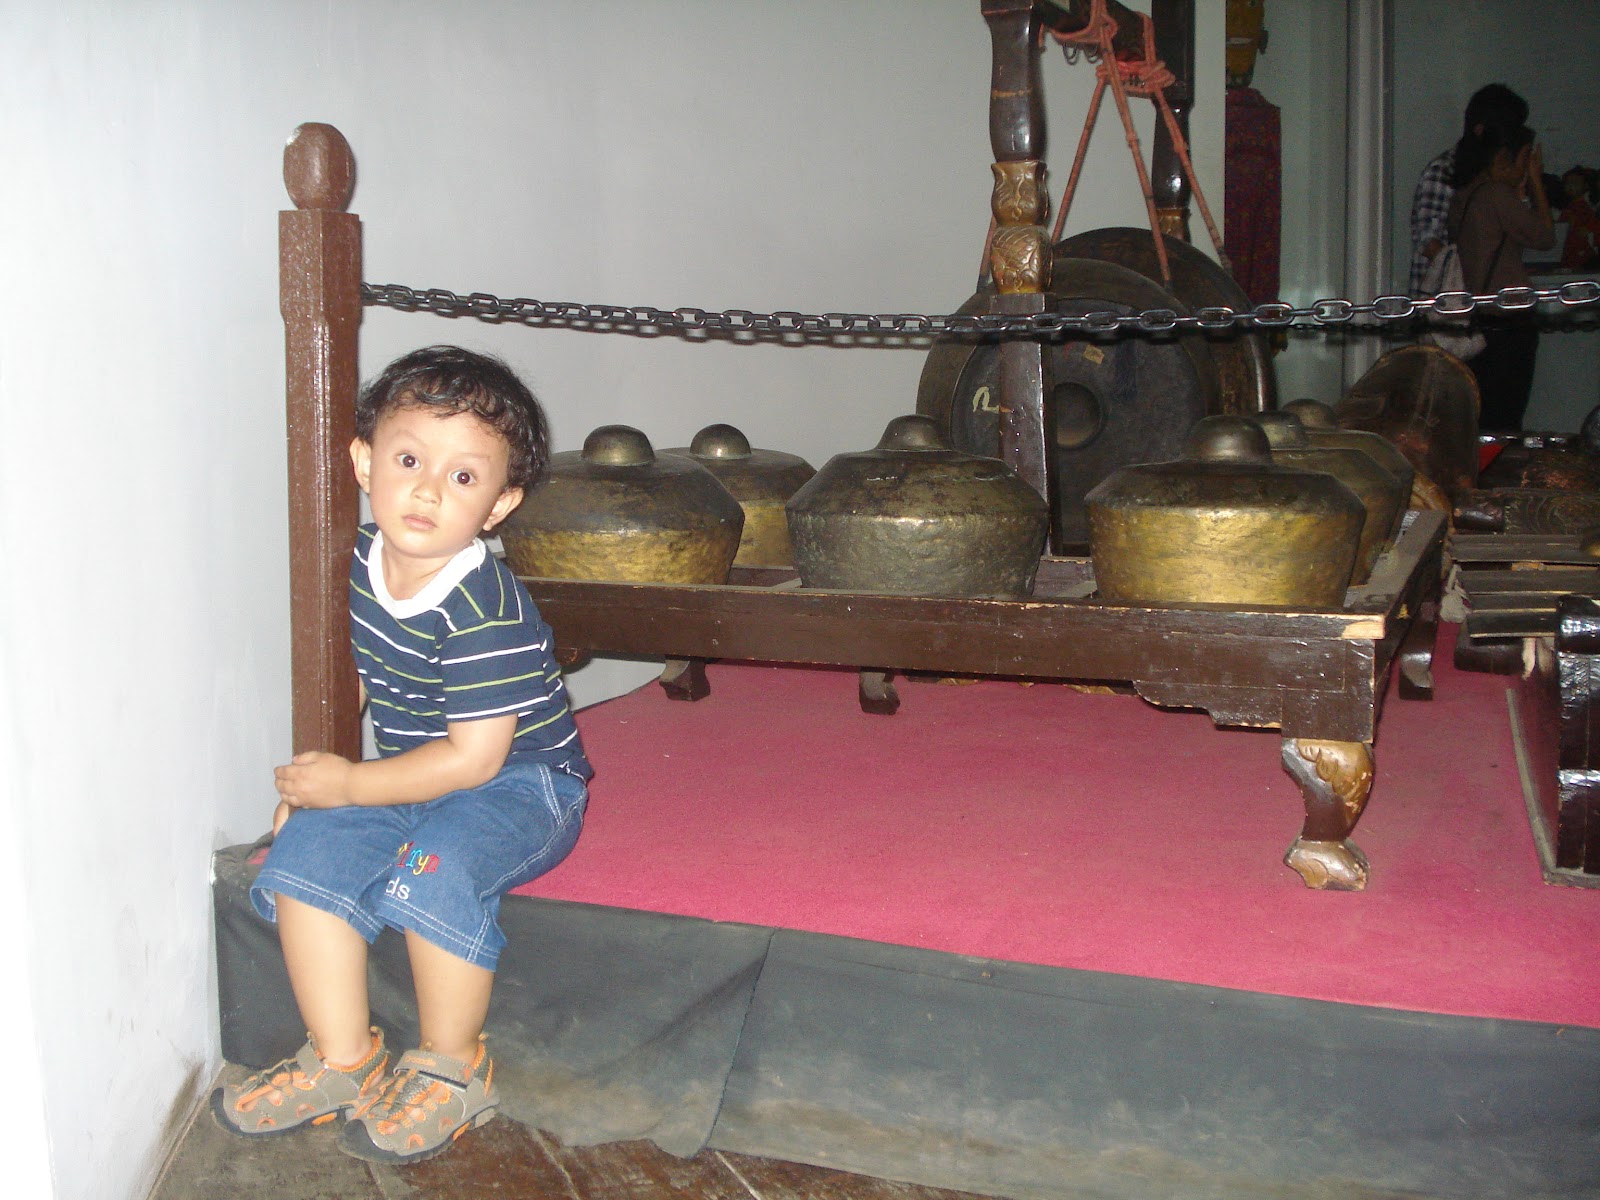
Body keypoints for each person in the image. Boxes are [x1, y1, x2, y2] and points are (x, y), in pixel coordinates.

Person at [212, 345, 592, 1163]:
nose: (428, 490)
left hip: (521, 784)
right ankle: (343, 1059)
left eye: (464, 476)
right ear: (363, 461)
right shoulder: (358, 559)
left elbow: (475, 762)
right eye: (410, 459)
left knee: (436, 865)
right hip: (416, 771)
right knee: (306, 852)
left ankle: (454, 1068)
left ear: (499, 505)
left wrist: (352, 782)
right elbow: (350, 675)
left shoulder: (483, 607)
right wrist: (322, 783)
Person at [1449, 119, 1555, 431]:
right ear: (1503, 157)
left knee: (1483, 413)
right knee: (1506, 415)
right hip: (1508, 320)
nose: (1527, 168)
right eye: (1525, 159)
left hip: (1479, 317)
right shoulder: (1496, 195)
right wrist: (1536, 184)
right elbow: (1545, 237)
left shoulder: (1465, 195)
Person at [1409, 84, 1528, 295]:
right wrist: (1471, 275)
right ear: (1481, 130)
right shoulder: (1444, 171)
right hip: (1445, 300)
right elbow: (1428, 242)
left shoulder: (1499, 175)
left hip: (1485, 297)